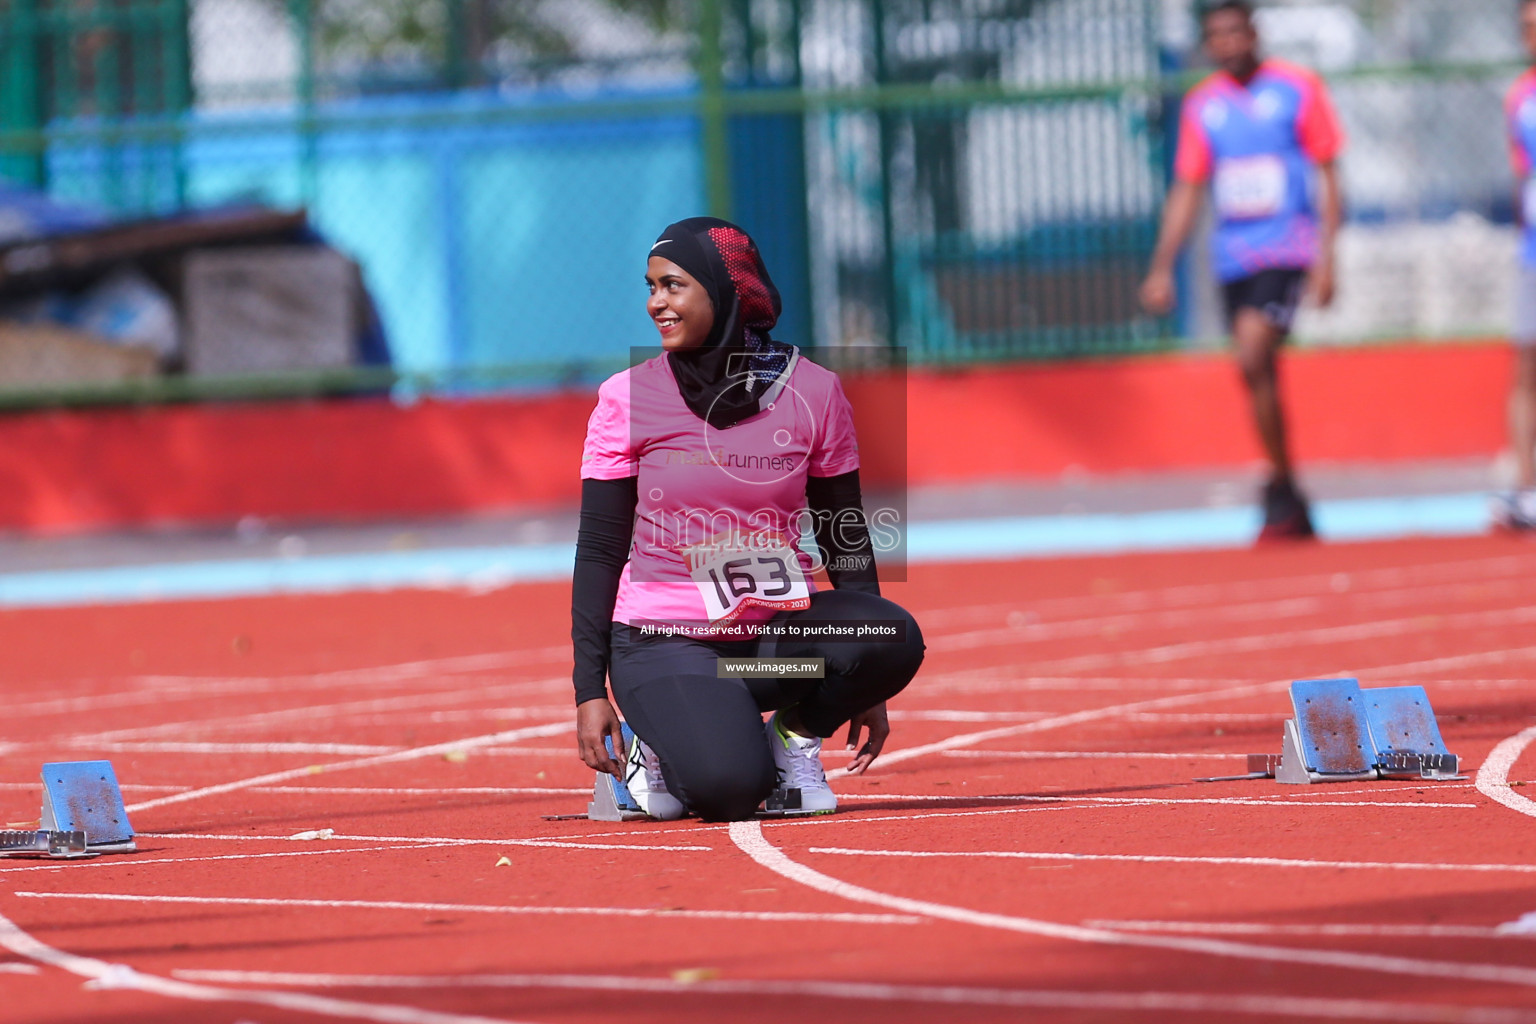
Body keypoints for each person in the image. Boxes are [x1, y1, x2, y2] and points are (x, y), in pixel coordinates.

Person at [570, 216, 925, 822]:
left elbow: (845, 529)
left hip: (766, 650)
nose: (656, 303)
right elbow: (601, 548)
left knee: (892, 636)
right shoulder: (626, 398)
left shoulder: (814, 391)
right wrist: (587, 689)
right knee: (731, 789)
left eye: (673, 286)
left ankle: (790, 736)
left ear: (725, 289)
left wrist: (868, 689)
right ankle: (653, 747)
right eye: (651, 287)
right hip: (663, 643)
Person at [1140, 0, 1344, 541]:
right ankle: (1287, 489)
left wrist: (1329, 256)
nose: (1229, 43)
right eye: (1217, 36)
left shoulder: (1297, 87)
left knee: (1254, 350)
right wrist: (1163, 265)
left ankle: (1281, 486)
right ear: (1208, 44)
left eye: (1236, 31)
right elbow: (1188, 186)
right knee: (1255, 372)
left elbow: (1328, 171)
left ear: (1254, 32)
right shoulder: (1202, 104)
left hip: (1288, 248)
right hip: (1233, 256)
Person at [1497, 0, 1536, 532]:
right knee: (1526, 367)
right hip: (1532, 253)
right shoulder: (1519, 96)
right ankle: (1527, 488)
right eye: (1526, 27)